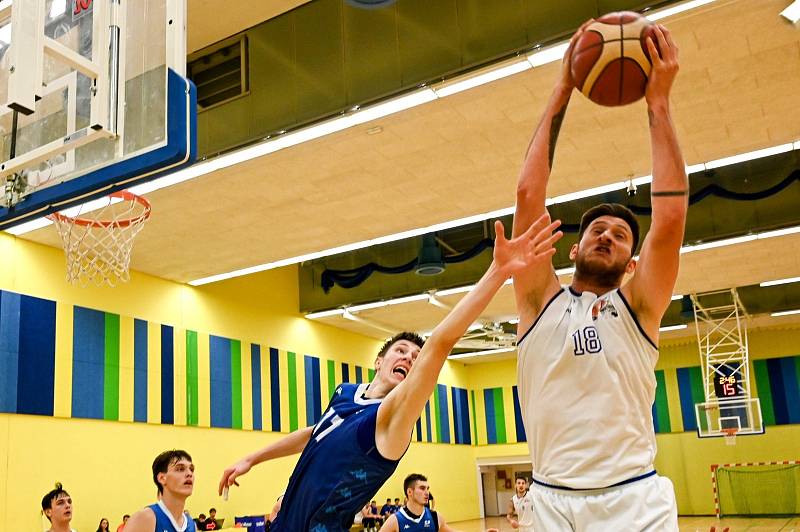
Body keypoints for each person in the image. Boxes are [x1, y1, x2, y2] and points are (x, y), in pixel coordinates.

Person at [218, 215, 562, 531]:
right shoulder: (344, 393)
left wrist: (497, 273)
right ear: (379, 361)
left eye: (416, 357)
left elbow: (440, 344)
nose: (410, 359)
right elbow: (317, 432)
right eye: (401, 351)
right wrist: (253, 457)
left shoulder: (393, 421)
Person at [511, 17, 686, 532]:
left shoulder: (641, 306)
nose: (606, 235)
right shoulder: (538, 300)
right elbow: (527, 197)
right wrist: (563, 85)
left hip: (635, 500)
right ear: (572, 250)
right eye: (596, 230)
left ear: (633, 265)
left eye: (620, 234)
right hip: (552, 501)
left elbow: (671, 218)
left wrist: (659, 103)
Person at [123, 450, 197, 532]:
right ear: (162, 478)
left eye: (191, 469)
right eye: (180, 469)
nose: (189, 473)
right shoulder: (145, 518)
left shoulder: (192, 525)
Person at [378, 474, 457, 532]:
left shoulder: (435, 517)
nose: (427, 493)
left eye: (427, 488)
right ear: (410, 492)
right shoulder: (395, 520)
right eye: (422, 488)